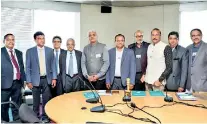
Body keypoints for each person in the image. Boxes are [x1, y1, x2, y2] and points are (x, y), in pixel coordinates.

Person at [26, 31, 57, 122]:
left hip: (47, 79)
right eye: (39, 38)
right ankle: (35, 118)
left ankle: (45, 117)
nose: (42, 40)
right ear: (35, 40)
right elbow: (27, 67)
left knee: (46, 100)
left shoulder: (50, 50)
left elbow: (53, 65)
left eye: (43, 38)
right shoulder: (30, 51)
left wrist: (54, 78)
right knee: (35, 102)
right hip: (35, 80)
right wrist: (28, 81)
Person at [1, 33, 26, 122]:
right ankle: (5, 121)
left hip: (17, 82)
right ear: (4, 41)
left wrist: (24, 80)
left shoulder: (19, 53)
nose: (11, 41)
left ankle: (17, 120)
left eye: (13, 40)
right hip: (4, 83)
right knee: (4, 106)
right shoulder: (1, 52)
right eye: (8, 40)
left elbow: (22, 67)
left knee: (17, 104)